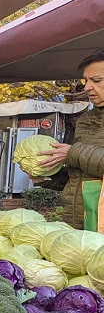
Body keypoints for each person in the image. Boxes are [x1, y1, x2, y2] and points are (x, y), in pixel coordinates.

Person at [34, 50, 104, 229]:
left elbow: (76, 156)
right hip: (79, 229)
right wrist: (47, 176)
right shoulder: (87, 119)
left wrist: (72, 152)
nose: (87, 87)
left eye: (96, 81)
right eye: (85, 80)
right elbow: (79, 178)